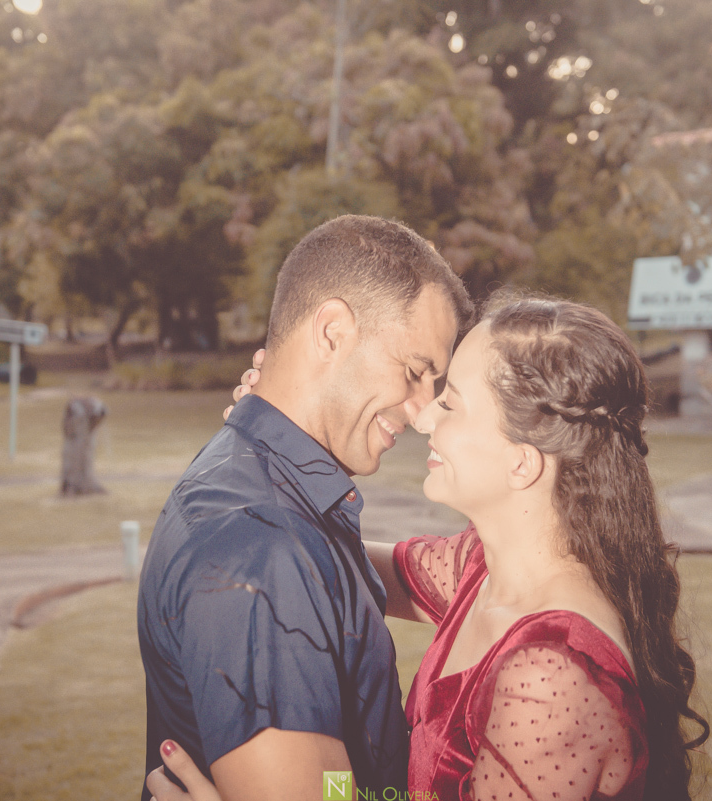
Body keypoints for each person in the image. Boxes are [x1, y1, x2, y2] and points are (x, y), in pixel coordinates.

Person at [148, 294, 709, 801]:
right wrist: (282, 433)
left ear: (522, 462)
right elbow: (314, 556)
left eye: (452, 403)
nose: (423, 418)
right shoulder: (480, 570)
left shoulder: (550, 678)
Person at [137, 214, 473, 801]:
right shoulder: (263, 546)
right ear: (332, 332)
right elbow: (329, 794)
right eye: (416, 372)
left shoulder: (284, 507)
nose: (424, 414)